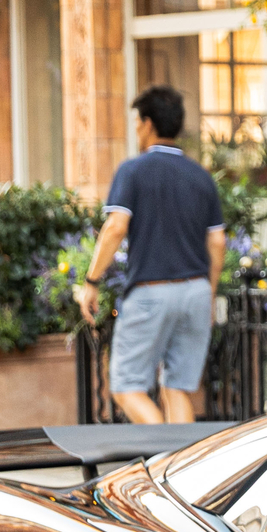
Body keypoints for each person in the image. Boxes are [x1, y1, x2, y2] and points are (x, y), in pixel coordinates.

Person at [76, 87, 227, 423]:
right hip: (196, 292)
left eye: (136, 122)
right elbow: (217, 242)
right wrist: (210, 291)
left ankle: (162, 462)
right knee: (177, 389)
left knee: (127, 388)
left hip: (150, 292)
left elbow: (116, 227)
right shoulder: (201, 176)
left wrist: (92, 281)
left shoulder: (133, 171)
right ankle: (184, 470)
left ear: (147, 124)